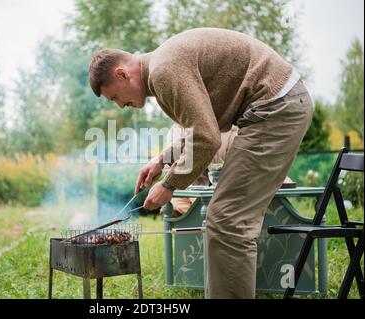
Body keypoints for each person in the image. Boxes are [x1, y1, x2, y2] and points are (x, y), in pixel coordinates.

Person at [88, 28, 313, 299]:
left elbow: (206, 139)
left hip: (275, 108)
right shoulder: (161, 70)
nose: (120, 106)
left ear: (121, 74)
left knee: (228, 221)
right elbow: (205, 128)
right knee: (224, 220)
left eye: (114, 97)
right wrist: (163, 160)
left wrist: (170, 184)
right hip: (273, 107)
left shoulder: (163, 71)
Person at [166, 124, 238, 216]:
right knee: (176, 205)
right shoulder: (175, 131)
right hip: (188, 188)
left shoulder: (231, 133)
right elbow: (171, 165)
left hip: (222, 193)